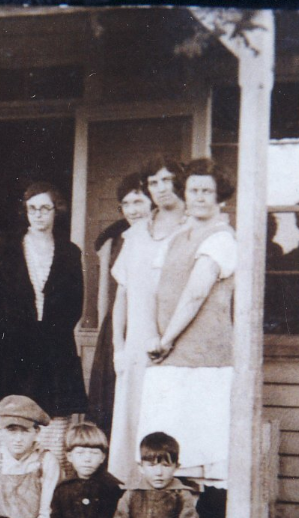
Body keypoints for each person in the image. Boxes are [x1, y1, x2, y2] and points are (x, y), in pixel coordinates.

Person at [140, 158, 237, 488]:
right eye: (193, 190)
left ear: (219, 196)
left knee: (203, 446)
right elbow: (155, 291)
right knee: (171, 442)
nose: (199, 197)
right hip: (169, 357)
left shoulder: (221, 238)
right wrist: (154, 335)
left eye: (207, 191)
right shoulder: (178, 238)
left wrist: (165, 339)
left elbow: (195, 294)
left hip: (203, 359)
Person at [0, 182, 87, 470]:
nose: (39, 215)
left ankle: (47, 492)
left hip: (53, 350)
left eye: (45, 208)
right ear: (25, 212)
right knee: (7, 421)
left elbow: (75, 304)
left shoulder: (69, 253)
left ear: (56, 211)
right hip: (11, 350)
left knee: (51, 426)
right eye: (33, 209)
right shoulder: (5, 252)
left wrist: (50, 333)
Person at [108, 158, 188, 484]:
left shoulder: (191, 231)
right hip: (138, 345)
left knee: (170, 420)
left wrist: (168, 338)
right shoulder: (136, 234)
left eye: (168, 180)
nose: (161, 188)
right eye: (154, 182)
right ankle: (137, 500)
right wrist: (119, 347)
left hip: (177, 344)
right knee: (135, 419)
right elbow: (122, 296)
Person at [85, 172, 150, 437]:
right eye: (127, 204)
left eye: (139, 202)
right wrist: (108, 333)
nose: (133, 210)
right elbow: (107, 293)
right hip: (118, 326)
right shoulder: (115, 241)